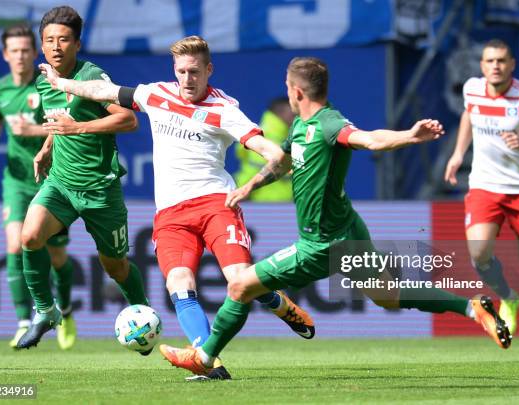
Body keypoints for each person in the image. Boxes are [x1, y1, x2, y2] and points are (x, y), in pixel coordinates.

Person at [156, 56, 512, 377]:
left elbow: (370, 140)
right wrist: (250, 187)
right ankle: (471, 308)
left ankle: (204, 358)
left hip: (323, 243)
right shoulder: (300, 125)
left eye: (286, 87)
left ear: (296, 91)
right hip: (348, 229)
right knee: (388, 295)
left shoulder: (329, 124)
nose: (286, 92)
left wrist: (409, 136)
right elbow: (282, 162)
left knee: (240, 285)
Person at [38, 35, 314, 379]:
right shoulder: (157, 94)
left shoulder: (225, 110)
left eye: (195, 71)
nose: (187, 79)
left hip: (216, 204)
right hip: (171, 213)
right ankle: (207, 361)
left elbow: (272, 154)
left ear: (209, 70)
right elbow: (104, 92)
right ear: (174, 70)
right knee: (179, 284)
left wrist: (253, 184)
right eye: (181, 71)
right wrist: (61, 82)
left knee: (239, 282)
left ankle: (279, 304)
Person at [16, 6, 149, 350]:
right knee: (29, 236)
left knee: (116, 267)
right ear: (42, 46)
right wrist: (48, 145)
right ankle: (45, 311)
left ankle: (144, 317)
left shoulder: (93, 77)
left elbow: (129, 120)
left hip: (100, 189)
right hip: (60, 183)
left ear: (77, 44)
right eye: (49, 40)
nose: (56, 47)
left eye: (63, 40)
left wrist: (79, 128)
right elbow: (60, 119)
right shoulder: (44, 79)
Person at [444, 39, 519, 355]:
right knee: (479, 253)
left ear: (512, 64)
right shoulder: (472, 89)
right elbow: (469, 115)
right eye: (489, 61)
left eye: (501, 60)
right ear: (482, 66)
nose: (495, 66)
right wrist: (458, 153)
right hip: (484, 185)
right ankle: (509, 297)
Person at [0, 24, 77, 350]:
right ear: (6, 55)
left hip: (50, 178)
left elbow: (62, 125)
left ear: (33, 53)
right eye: (15, 51)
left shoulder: (45, 85)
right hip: (15, 180)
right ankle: (25, 320)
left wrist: (32, 130)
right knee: (13, 244)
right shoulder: (0, 88)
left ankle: (64, 309)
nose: (21, 56)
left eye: (26, 50)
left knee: (57, 256)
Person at [234, 97, 294, 201]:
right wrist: (242, 194)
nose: (297, 117)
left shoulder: (258, 134)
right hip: (260, 207)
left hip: (283, 207)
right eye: (293, 114)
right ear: (280, 113)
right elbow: (251, 172)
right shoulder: (264, 140)